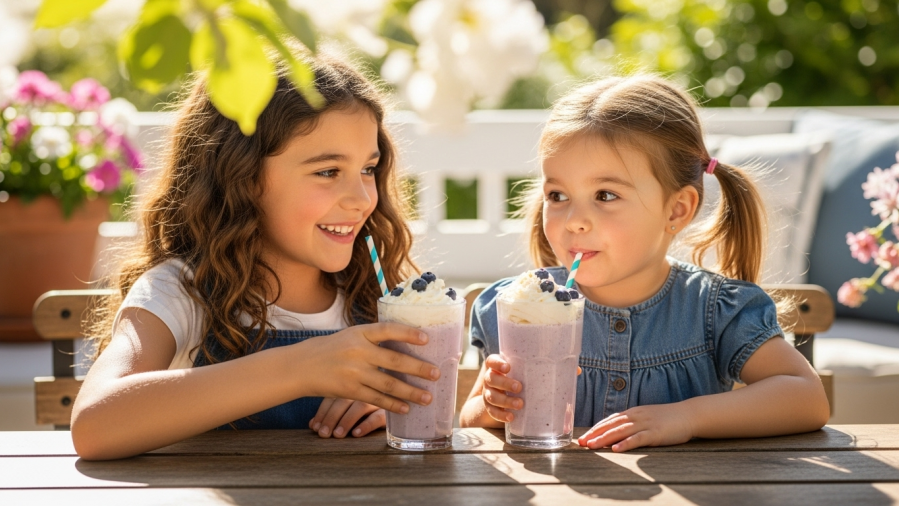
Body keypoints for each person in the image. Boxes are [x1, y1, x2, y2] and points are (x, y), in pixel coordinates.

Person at [71, 46, 439, 460]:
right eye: (327, 172)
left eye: (368, 169)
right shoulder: (180, 293)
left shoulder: (382, 294)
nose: (361, 198)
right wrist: (301, 368)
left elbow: (438, 421)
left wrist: (389, 405)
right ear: (241, 177)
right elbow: (94, 425)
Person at [459, 75, 830, 451]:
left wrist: (687, 417)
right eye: (557, 195)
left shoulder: (714, 311)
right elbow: (471, 416)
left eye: (605, 195)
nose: (573, 220)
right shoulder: (520, 309)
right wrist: (494, 405)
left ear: (677, 209)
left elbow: (807, 398)